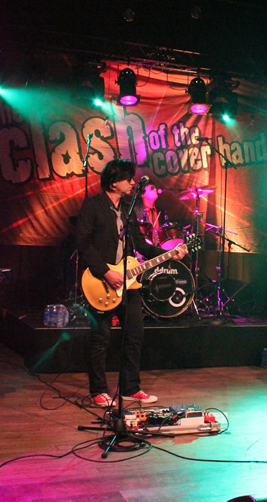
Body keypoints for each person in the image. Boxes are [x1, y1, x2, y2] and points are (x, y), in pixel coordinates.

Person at [74, 159, 187, 407]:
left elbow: (141, 245)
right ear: (114, 182)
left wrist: (169, 253)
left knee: (134, 335)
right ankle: (98, 390)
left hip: (128, 283)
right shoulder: (93, 205)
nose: (133, 183)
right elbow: (83, 243)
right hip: (101, 280)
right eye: (128, 179)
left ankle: (130, 388)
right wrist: (106, 272)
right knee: (100, 338)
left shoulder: (128, 209)